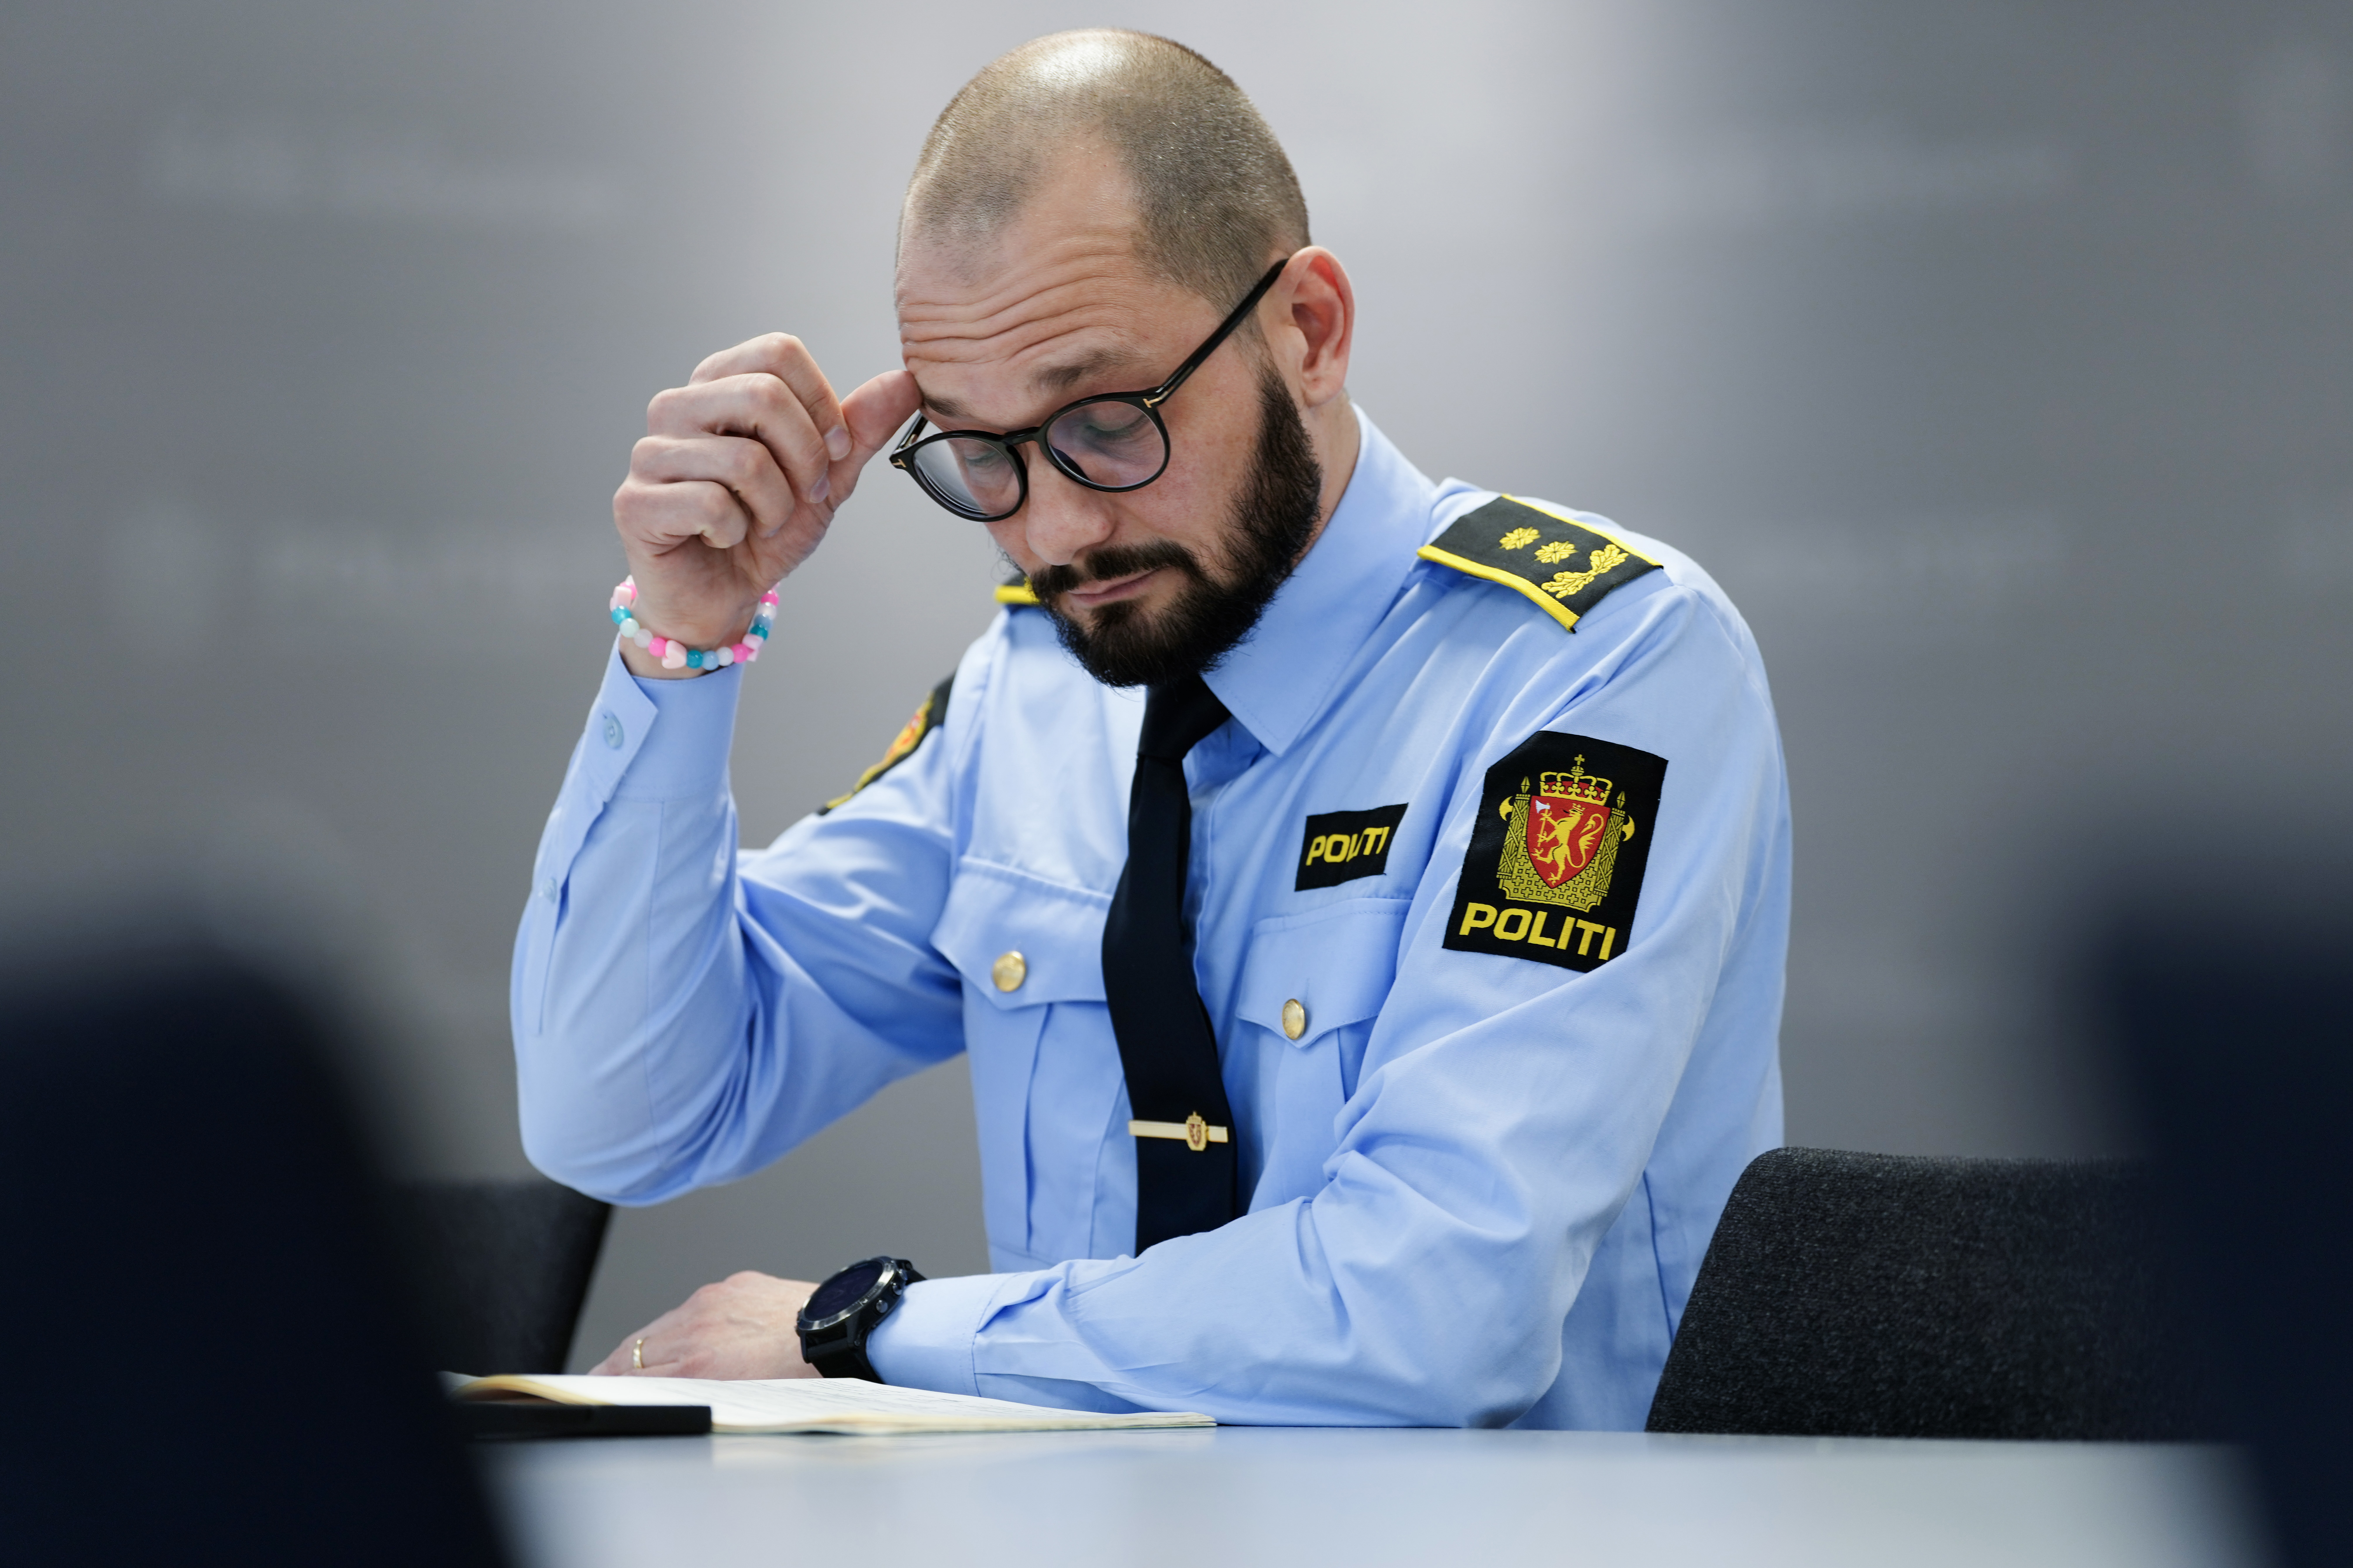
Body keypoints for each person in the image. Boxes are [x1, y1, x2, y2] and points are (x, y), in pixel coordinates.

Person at [512, 28, 1788, 1430]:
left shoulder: (1591, 667)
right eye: (979, 455)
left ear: (1307, 329)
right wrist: (682, 641)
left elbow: (1438, 1308)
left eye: (1106, 423)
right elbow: (624, 1116)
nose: (1055, 530)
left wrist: (864, 1330)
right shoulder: (1032, 696)